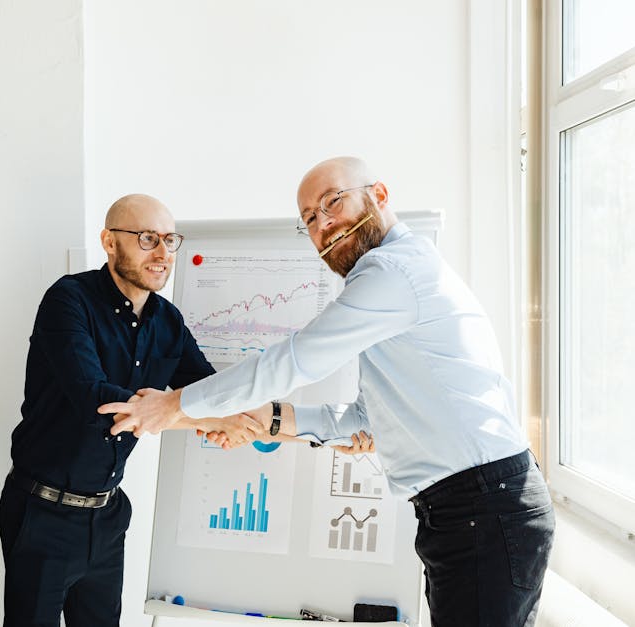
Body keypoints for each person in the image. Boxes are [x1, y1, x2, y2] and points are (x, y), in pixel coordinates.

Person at [100, 157, 555, 627]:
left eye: (332, 202)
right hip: (467, 513)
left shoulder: (391, 272)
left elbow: (294, 360)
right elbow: (364, 418)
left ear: (378, 195)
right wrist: (272, 421)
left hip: (483, 508)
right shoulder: (392, 282)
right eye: (310, 219)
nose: (323, 224)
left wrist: (172, 405)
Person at [0, 194, 267, 627]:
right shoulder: (69, 300)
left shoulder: (168, 321)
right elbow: (97, 401)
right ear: (109, 241)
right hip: (43, 514)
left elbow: (209, 391)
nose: (162, 253)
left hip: (108, 517)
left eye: (169, 240)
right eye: (147, 239)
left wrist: (258, 416)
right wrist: (210, 418)